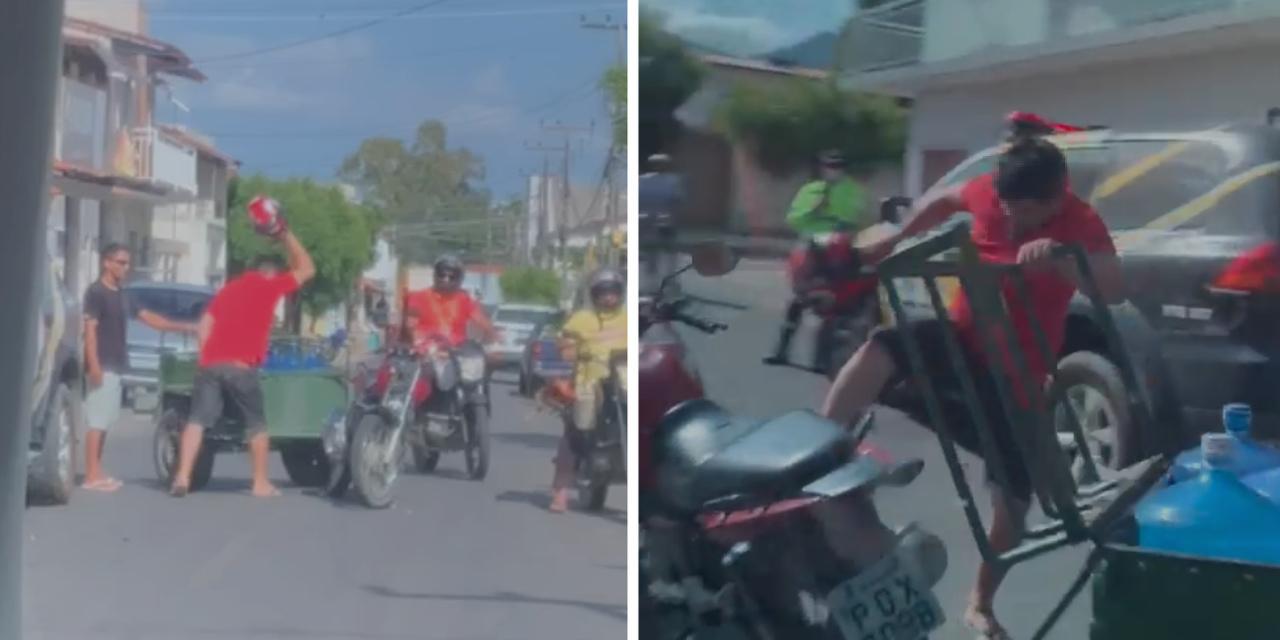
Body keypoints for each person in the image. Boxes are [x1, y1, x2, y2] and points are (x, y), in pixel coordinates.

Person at [820, 137, 1126, 639]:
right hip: (963, 341)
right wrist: (897, 236)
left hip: (1017, 377)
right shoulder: (988, 192)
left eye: (1022, 212)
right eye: (1004, 207)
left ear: (1055, 198)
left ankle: (980, 603)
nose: (1009, 219)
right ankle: (820, 450)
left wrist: (1062, 260)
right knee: (884, 345)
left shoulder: (1080, 221)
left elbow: (1113, 288)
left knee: (1015, 506)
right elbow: (944, 201)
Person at [169, 221, 315, 498]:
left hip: (210, 365)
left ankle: (182, 477)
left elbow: (204, 326)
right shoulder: (269, 287)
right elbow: (307, 268)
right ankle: (260, 483)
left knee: (197, 420)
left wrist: (205, 357)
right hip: (240, 368)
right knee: (257, 425)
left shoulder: (229, 289)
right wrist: (285, 235)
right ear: (270, 274)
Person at [82, 244, 197, 492]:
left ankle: (97, 471)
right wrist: (94, 365)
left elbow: (148, 317)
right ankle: (91, 476)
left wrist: (185, 327)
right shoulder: (96, 292)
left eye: (127, 263)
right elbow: (89, 332)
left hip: (116, 363)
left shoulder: (122, 294)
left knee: (106, 420)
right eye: (121, 262)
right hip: (102, 363)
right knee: (97, 422)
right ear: (107, 263)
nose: (126, 267)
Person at [764, 149, 872, 367]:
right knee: (799, 299)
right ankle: (782, 350)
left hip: (839, 247)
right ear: (822, 168)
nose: (833, 170)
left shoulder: (853, 190)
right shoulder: (809, 190)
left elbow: (856, 218)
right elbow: (794, 219)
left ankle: (822, 357)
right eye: (829, 166)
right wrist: (813, 211)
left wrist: (836, 220)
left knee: (836, 298)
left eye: (838, 166)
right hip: (811, 246)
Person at [549, 268, 626, 513]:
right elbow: (564, 345)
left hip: (627, 381)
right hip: (591, 380)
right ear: (594, 295)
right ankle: (560, 492)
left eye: (613, 292)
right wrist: (571, 349)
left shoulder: (630, 316)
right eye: (603, 292)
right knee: (577, 428)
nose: (609, 297)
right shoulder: (582, 318)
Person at [402, 254, 498, 347]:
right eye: (442, 275)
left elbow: (485, 325)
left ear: (459, 279)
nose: (446, 280)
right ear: (435, 275)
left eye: (452, 277)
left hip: (457, 352)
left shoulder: (465, 300)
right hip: (426, 351)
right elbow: (411, 327)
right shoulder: (418, 297)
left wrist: (487, 343)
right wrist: (420, 342)